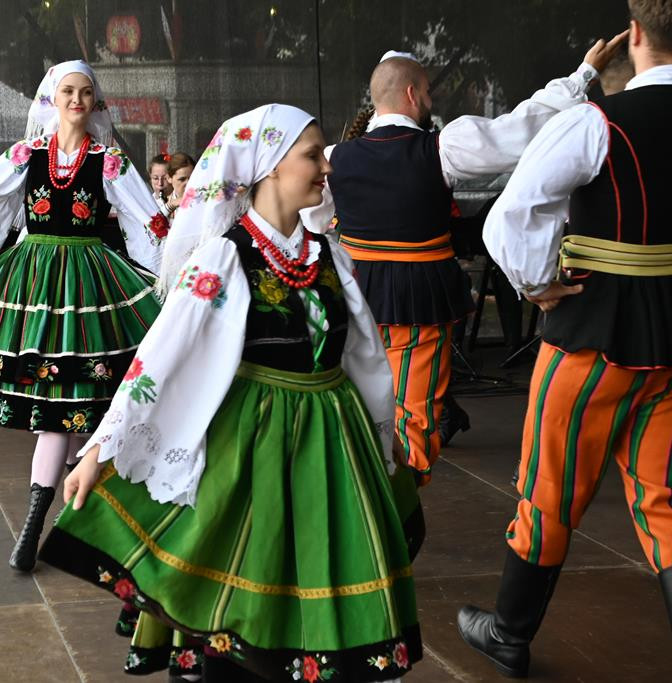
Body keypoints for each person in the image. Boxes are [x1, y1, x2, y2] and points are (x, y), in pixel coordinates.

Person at [40, 104, 422, 683]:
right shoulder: (226, 255)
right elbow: (162, 355)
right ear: (269, 166)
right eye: (312, 155)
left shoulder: (327, 255)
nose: (325, 168)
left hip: (332, 441)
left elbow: (363, 354)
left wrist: (382, 438)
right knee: (246, 572)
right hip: (253, 443)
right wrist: (100, 447)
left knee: (319, 567)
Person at [458, 3, 672, 679]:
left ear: (634, 35)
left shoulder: (593, 122)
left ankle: (509, 632)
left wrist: (536, 284)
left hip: (592, 337)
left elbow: (509, 218)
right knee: (668, 495)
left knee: (548, 486)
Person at [324, 35, 626, 491]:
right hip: (418, 295)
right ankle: (398, 508)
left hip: (355, 293)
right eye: (427, 92)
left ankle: (359, 499)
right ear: (411, 94)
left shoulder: (333, 158)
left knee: (354, 403)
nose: (431, 99)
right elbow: (522, 128)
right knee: (414, 411)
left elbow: (312, 222)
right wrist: (582, 75)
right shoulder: (443, 147)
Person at [0, 61, 167, 573]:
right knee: (59, 411)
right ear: (52, 98)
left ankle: (64, 530)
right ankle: (37, 526)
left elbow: (147, 217)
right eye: (68, 91)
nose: (77, 100)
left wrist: (179, 275)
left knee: (85, 408)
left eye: (86, 92)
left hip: (90, 284)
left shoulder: (109, 161)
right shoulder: (27, 154)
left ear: (94, 101)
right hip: (35, 284)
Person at [161, 152, 195, 224]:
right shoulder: (161, 202)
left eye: (192, 178)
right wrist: (170, 206)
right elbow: (151, 230)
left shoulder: (203, 200)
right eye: (182, 179)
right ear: (169, 178)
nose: (188, 183)